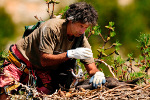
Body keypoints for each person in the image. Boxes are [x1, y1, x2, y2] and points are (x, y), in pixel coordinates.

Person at [0, 2, 106, 95]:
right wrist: (69, 54)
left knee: (45, 94)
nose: (83, 31)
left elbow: (91, 68)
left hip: (40, 71)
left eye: (86, 28)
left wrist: (97, 74)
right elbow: (44, 60)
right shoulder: (52, 28)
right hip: (19, 62)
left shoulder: (80, 39)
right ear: (71, 20)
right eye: (81, 26)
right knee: (6, 92)